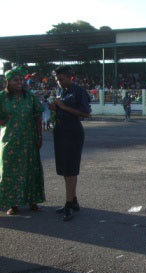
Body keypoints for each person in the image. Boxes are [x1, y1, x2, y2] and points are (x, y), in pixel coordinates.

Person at [0, 67, 45, 215]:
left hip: (29, 140)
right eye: (15, 80)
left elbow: (38, 116)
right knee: (8, 171)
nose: (19, 82)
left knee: (31, 170)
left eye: (21, 80)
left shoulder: (30, 97)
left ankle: (33, 201)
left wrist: (39, 136)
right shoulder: (2, 97)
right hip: (9, 140)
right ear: (8, 82)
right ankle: (12, 204)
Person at [49, 66, 91, 222]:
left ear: (69, 77)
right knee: (64, 168)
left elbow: (86, 113)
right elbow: (59, 108)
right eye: (57, 79)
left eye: (61, 79)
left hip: (72, 131)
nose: (59, 82)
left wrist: (62, 106)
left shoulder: (78, 91)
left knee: (70, 168)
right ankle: (73, 200)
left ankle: (68, 203)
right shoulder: (62, 91)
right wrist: (54, 107)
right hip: (60, 130)